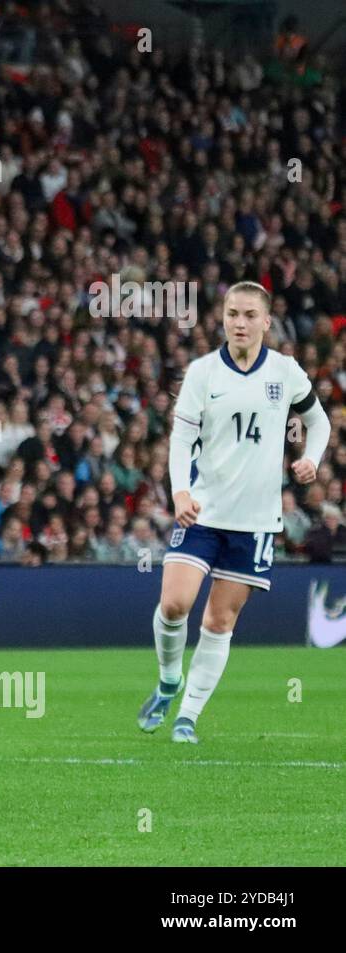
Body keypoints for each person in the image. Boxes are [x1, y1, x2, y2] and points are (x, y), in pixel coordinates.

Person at [138, 282, 329, 743]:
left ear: (267, 321)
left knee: (219, 621)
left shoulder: (285, 371)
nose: (239, 323)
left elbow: (318, 420)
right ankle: (168, 679)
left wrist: (312, 459)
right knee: (174, 604)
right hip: (202, 512)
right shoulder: (203, 373)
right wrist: (180, 492)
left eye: (248, 315)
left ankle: (188, 716)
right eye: (231, 314)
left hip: (256, 522)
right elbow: (181, 440)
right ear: (222, 319)